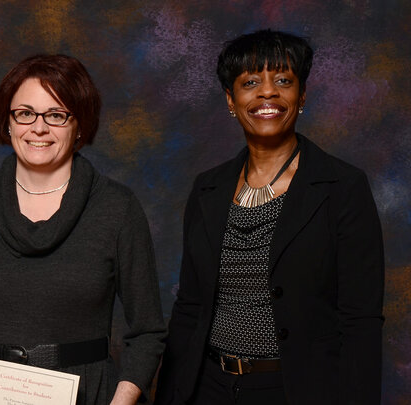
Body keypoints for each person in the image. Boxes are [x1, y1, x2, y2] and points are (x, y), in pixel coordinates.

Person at [154, 30, 384, 404]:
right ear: (231, 100)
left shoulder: (341, 187)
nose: (267, 93)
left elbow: (360, 320)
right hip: (207, 388)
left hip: (295, 390)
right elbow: (190, 308)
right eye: (250, 83)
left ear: (302, 94)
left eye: (283, 80)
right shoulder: (206, 189)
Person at [0, 54, 166, 405]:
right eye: (25, 113)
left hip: (88, 394)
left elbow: (147, 331)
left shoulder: (117, 208)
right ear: (8, 122)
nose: (38, 128)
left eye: (56, 115)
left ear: (80, 125)